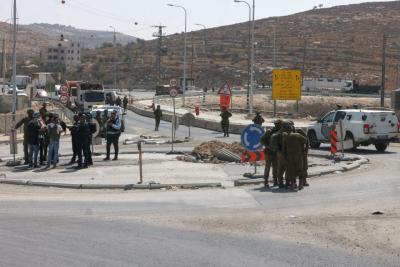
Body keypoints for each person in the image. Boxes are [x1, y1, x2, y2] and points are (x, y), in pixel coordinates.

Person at [260, 119, 282, 187]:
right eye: (277, 124)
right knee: (268, 167)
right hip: (269, 152)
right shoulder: (270, 131)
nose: (278, 125)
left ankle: (275, 180)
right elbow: (262, 140)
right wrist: (268, 146)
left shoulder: (280, 132)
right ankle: (266, 181)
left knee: (275, 167)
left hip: (276, 153)